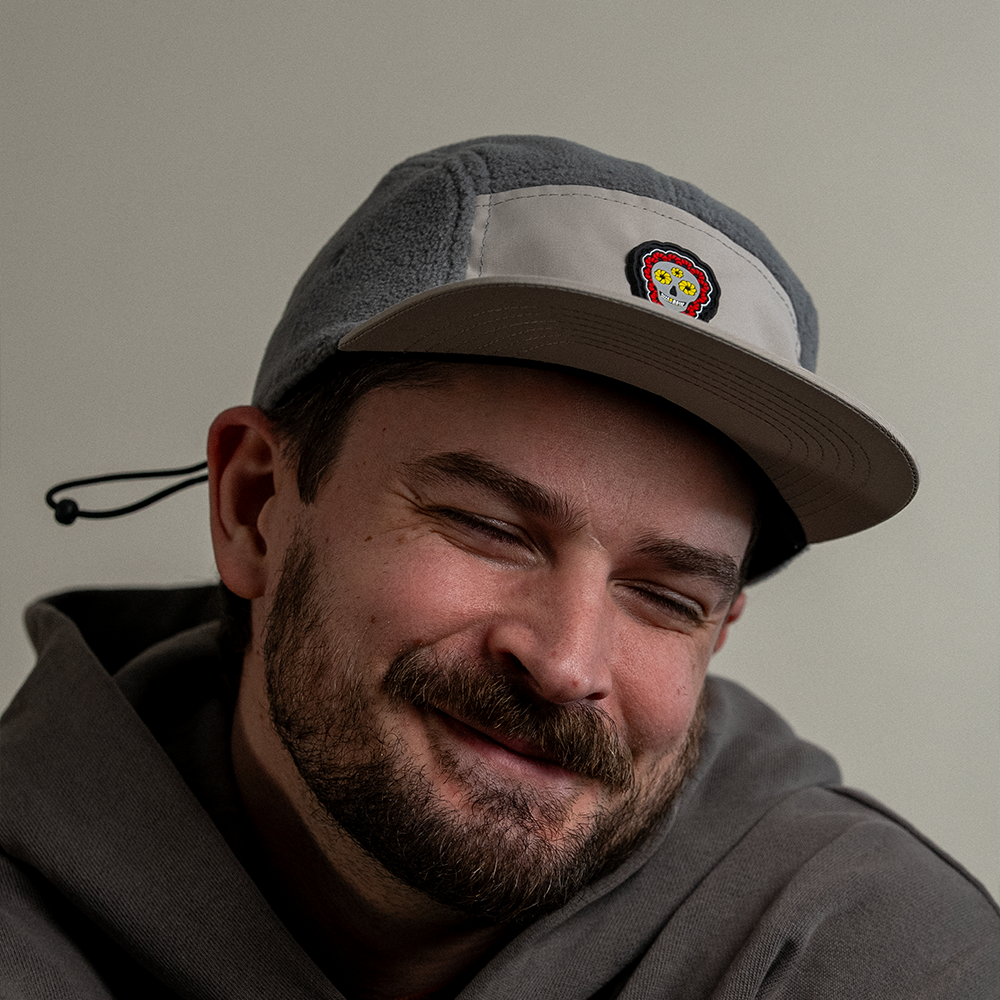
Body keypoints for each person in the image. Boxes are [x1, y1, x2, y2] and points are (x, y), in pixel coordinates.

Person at [2, 135, 996, 999]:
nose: (566, 664)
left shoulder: (891, 961)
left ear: (720, 631)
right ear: (253, 505)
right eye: (489, 528)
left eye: (665, 596)